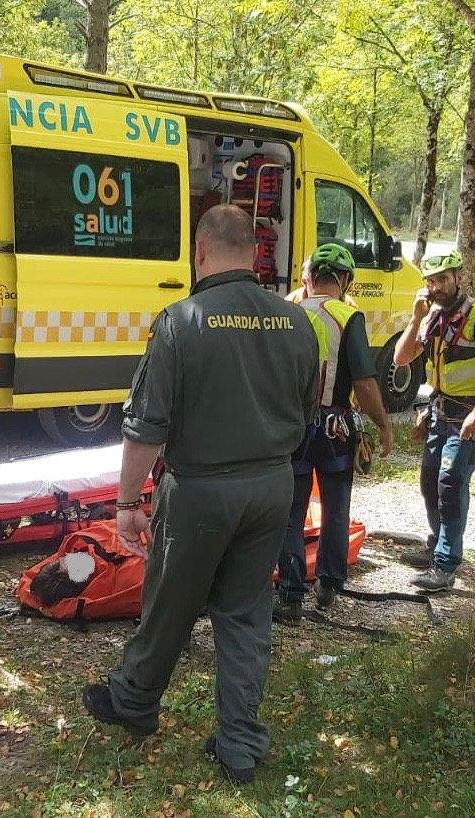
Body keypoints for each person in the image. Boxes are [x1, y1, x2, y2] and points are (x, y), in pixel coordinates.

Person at [82, 205, 320, 785]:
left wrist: (126, 503)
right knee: (244, 612)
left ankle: (135, 700)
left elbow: (145, 426)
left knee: (171, 600)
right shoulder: (296, 323)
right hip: (271, 486)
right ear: (255, 253)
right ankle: (240, 742)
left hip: (200, 490)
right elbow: (308, 407)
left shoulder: (181, 321)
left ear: (201, 251)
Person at [274, 243, 394, 623]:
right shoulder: (347, 316)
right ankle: (328, 584)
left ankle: (290, 594)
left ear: (307, 278)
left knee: (290, 512)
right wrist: (383, 424)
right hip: (335, 430)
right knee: (335, 505)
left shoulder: (286, 314)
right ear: (345, 280)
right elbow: (365, 381)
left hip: (291, 426)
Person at [393, 250, 475, 592]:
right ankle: (436, 543)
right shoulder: (431, 316)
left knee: (451, 481)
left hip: (467, 416)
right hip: (438, 413)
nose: (437, 286)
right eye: (431, 281)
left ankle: (445, 564)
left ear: (459, 277)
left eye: (443, 279)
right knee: (430, 479)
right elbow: (402, 358)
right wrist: (416, 318)